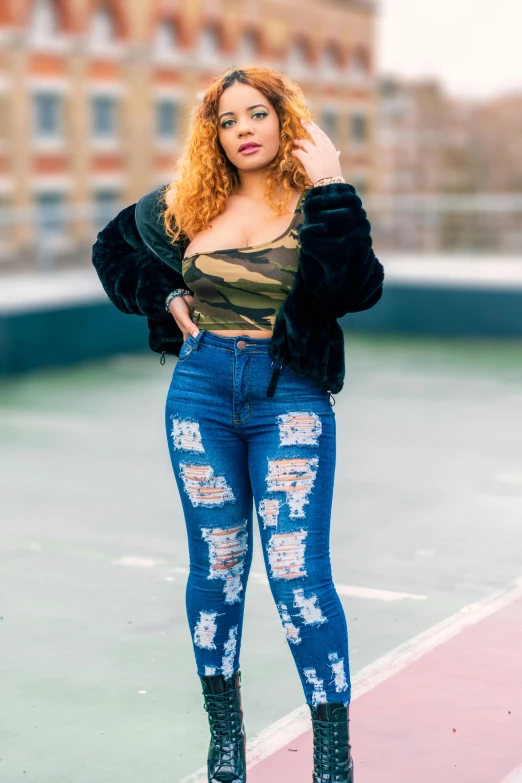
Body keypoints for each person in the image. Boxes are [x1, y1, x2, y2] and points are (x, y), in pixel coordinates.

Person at [92, 65, 384, 783]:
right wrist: (165, 298)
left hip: (291, 398)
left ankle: (332, 759)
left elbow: (357, 289)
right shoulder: (188, 202)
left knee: (299, 576)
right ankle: (227, 742)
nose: (242, 130)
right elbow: (111, 250)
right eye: (226, 120)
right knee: (217, 571)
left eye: (256, 114)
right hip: (200, 393)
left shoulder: (318, 203)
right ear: (212, 134)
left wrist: (334, 188)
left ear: (285, 121)